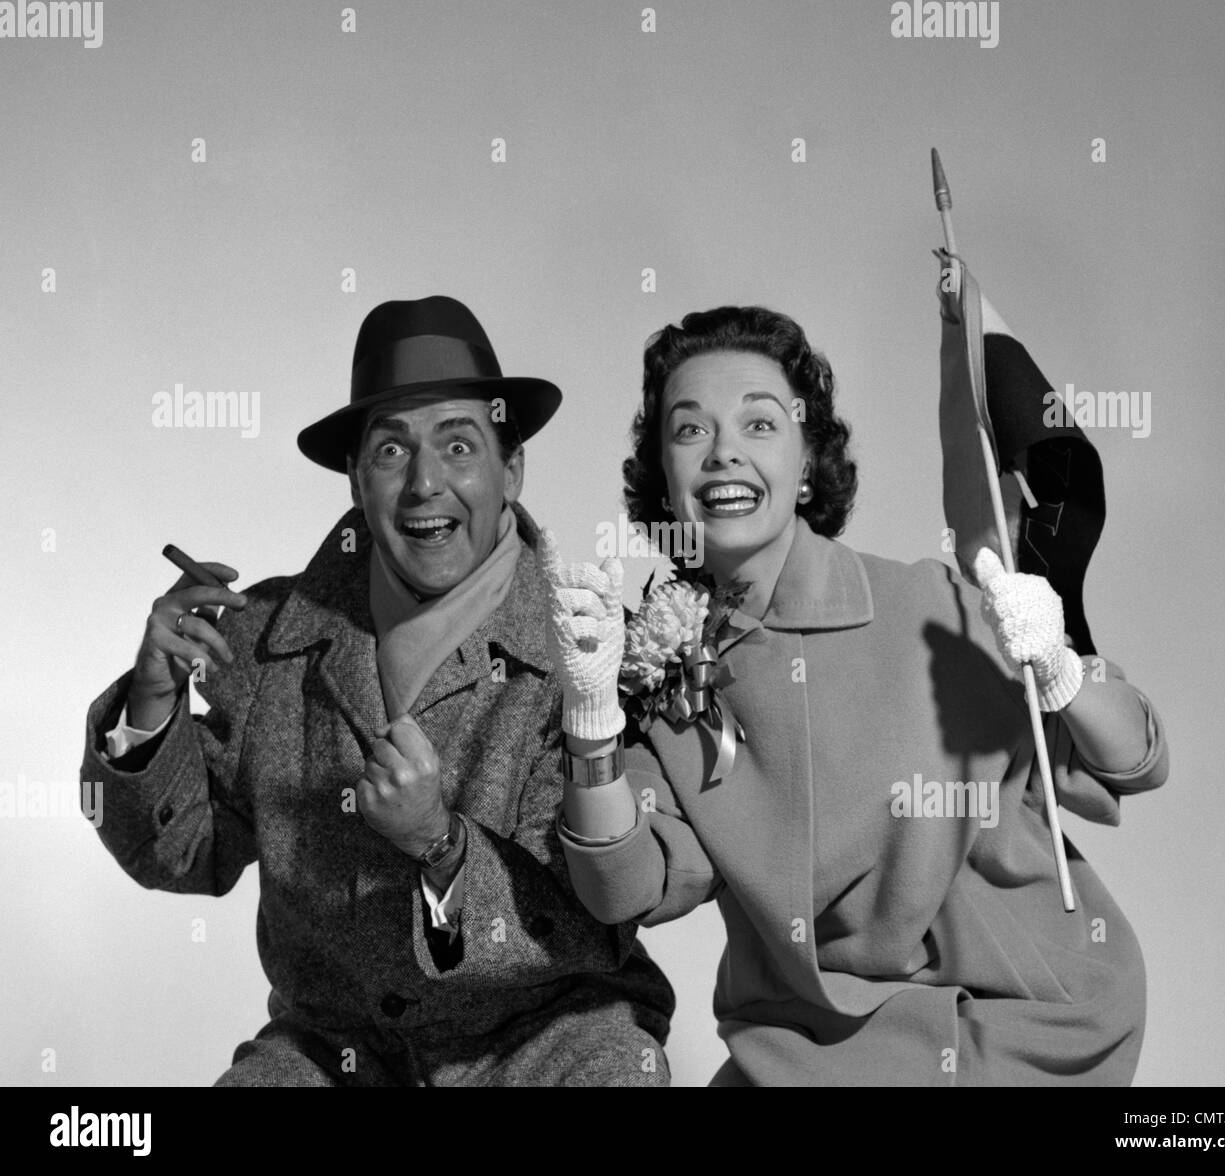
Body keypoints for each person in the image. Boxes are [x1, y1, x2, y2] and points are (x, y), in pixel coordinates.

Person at [543, 304, 1169, 1086]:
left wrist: (1061, 669)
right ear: (664, 479)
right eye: (690, 430)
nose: (723, 454)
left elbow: (1134, 762)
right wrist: (593, 720)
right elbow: (624, 888)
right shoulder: (660, 678)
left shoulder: (932, 605)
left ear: (808, 465)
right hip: (807, 1054)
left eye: (760, 425)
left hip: (1017, 1030)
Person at [81, 295, 673, 1086]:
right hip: (334, 1053)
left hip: (546, 1041)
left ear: (513, 467)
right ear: (357, 478)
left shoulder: (595, 650)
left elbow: (597, 920)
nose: (425, 483)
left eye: (459, 446)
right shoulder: (264, 636)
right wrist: (153, 706)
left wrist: (441, 844)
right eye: (392, 452)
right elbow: (184, 854)